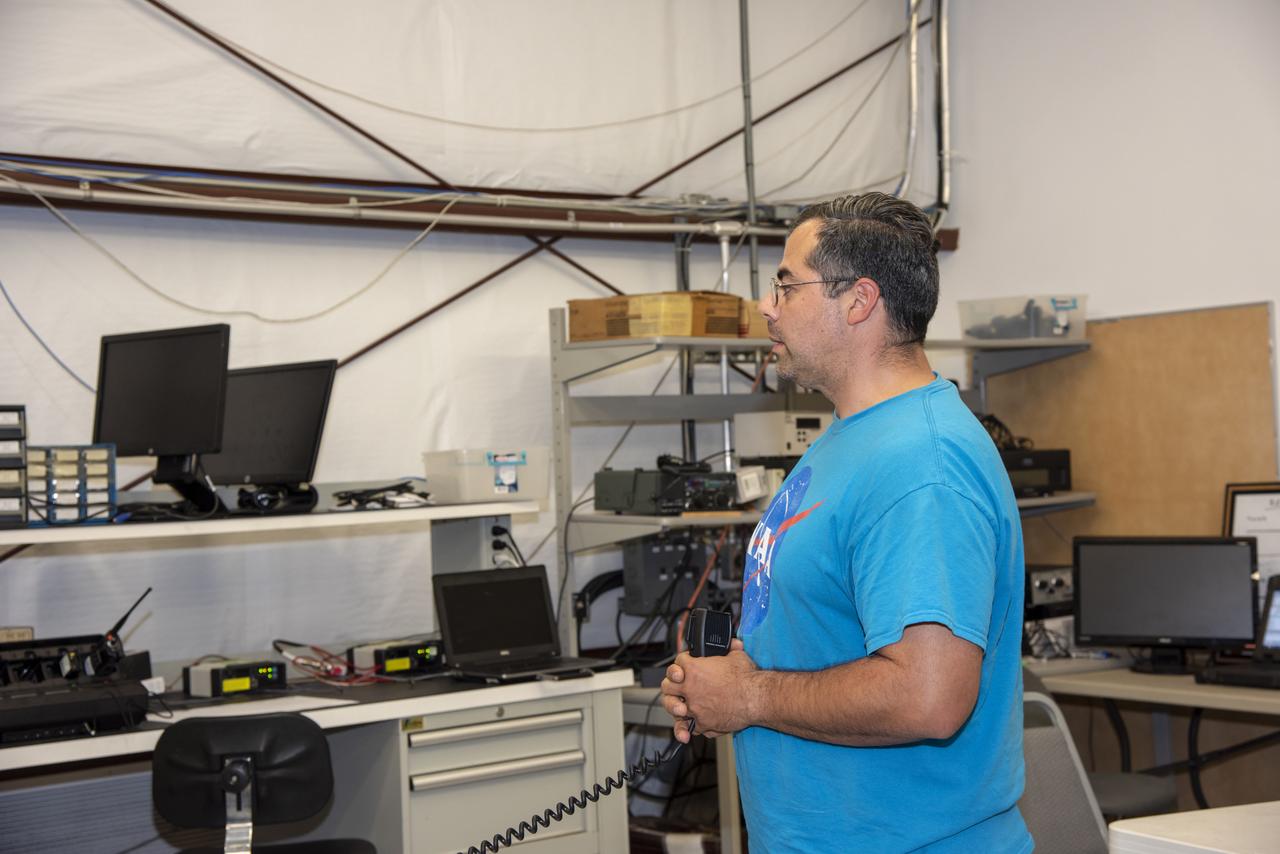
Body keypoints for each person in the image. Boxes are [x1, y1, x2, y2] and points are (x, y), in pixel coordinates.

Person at [661, 192, 1030, 852]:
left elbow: (929, 695)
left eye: (784, 285)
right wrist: (725, 681)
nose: (768, 308)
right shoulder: (851, 439)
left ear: (858, 301)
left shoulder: (921, 464)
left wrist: (751, 697)